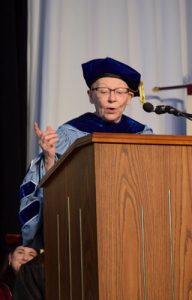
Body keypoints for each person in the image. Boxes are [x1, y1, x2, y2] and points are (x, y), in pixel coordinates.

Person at [19, 57, 153, 249]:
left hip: (132, 227)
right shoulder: (69, 134)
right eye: (104, 91)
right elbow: (50, 193)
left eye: (120, 92)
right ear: (90, 95)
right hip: (83, 227)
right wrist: (49, 158)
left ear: (129, 97)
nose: (112, 98)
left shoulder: (142, 134)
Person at [0, 234, 38, 299]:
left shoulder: (46, 288)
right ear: (10, 257)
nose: (25, 258)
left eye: (31, 255)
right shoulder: (2, 290)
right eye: (20, 252)